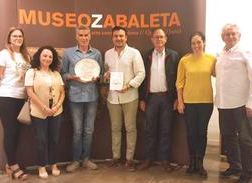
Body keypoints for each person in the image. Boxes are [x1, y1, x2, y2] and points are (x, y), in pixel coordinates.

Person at [215, 24, 252, 183]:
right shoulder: (220, 54)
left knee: (245, 140)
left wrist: (251, 102)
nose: (230, 36)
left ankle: (247, 173)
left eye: (233, 34)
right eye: (227, 34)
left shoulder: (246, 52)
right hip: (224, 104)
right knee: (228, 137)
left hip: (242, 105)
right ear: (223, 37)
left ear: (239, 36)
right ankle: (235, 166)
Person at [61, 25, 103, 172]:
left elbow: (101, 75)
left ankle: (86, 159)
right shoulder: (68, 53)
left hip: (92, 96)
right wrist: (72, 77)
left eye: (86, 35)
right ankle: (75, 160)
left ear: (90, 36)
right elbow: (62, 74)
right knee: (77, 130)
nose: (84, 38)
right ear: (76, 36)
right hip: (75, 96)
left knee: (89, 130)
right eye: (81, 35)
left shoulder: (97, 53)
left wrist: (98, 78)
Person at [104, 26, 145, 171]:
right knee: (115, 128)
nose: (118, 38)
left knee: (130, 128)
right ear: (112, 37)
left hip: (130, 96)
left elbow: (141, 73)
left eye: (121, 36)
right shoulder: (108, 54)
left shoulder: (134, 53)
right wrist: (106, 75)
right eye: (116, 36)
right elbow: (106, 72)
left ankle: (129, 159)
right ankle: (116, 157)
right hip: (113, 98)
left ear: (126, 37)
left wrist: (129, 85)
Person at [176, 31, 216, 178]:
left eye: (199, 42)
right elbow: (179, 83)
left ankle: (200, 163)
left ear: (204, 43)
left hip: (206, 102)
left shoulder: (212, 59)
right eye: (193, 43)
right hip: (189, 102)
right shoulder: (184, 61)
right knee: (191, 132)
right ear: (190, 45)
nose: (196, 45)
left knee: (201, 133)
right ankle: (192, 162)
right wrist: (180, 101)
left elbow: (221, 75)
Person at [138, 28, 179, 172]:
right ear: (152, 39)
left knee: (166, 130)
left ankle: (165, 160)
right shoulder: (146, 55)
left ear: (166, 39)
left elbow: (177, 79)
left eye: (161, 37)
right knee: (150, 130)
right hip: (151, 99)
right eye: (156, 37)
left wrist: (176, 99)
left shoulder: (173, 56)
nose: (159, 40)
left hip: (167, 98)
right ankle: (149, 159)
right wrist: (142, 99)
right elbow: (142, 78)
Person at [0, 27, 30, 180]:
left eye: (20, 36)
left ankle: (11, 163)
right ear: (9, 39)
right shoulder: (3, 55)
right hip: (6, 97)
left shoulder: (25, 55)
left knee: (18, 133)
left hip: (21, 99)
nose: (17, 38)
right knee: (10, 132)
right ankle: (13, 165)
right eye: (14, 36)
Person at [25, 46, 65, 179]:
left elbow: (62, 92)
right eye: (44, 55)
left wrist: (57, 106)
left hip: (56, 112)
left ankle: (53, 165)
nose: (47, 58)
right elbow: (30, 92)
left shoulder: (56, 73)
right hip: (38, 112)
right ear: (39, 56)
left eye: (50, 56)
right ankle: (41, 167)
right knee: (41, 140)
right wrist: (44, 108)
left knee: (54, 139)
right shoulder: (32, 72)